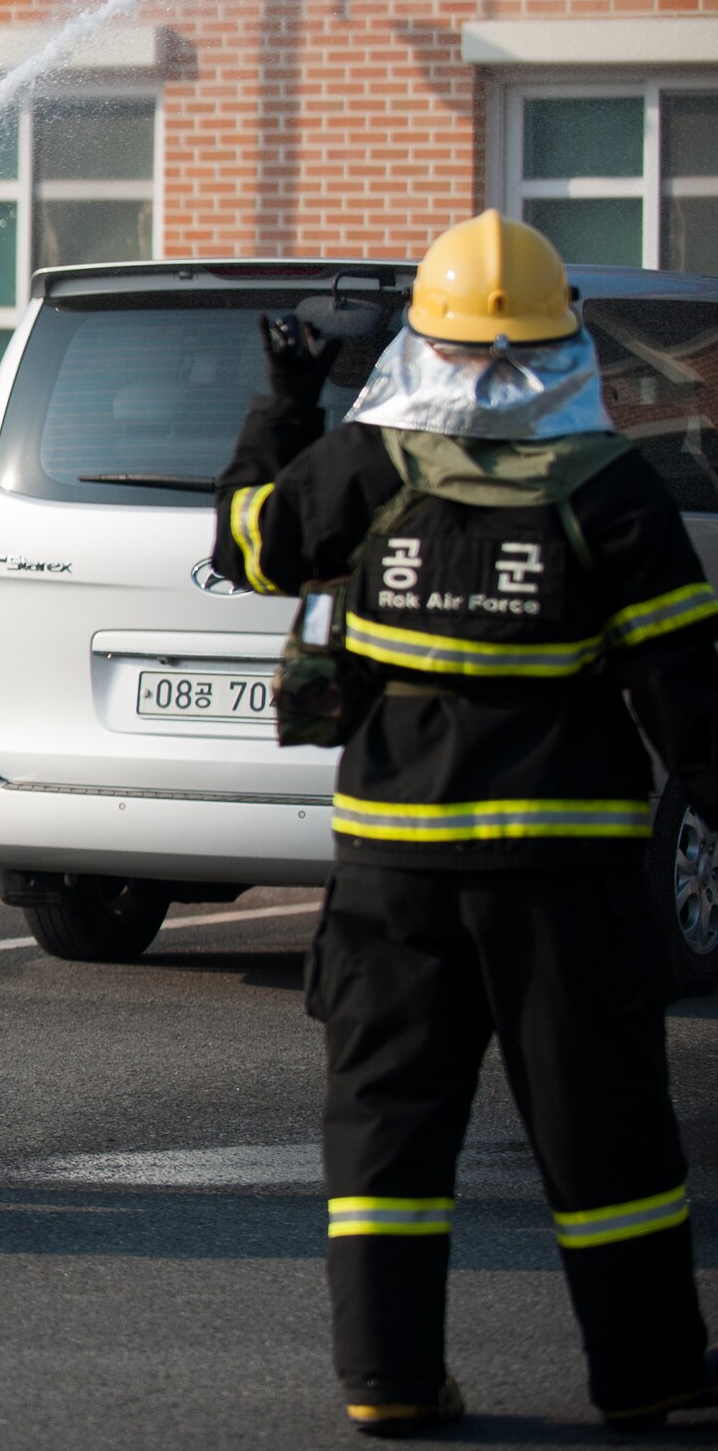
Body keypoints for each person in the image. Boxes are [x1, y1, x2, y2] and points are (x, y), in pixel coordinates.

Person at [211, 210, 718, 1435]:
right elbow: (690, 706)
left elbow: (247, 548)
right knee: (603, 1135)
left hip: (393, 876)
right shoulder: (611, 489)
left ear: (419, 345)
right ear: (565, 348)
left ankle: (386, 1380)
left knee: (386, 1130)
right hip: (564, 881)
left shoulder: (366, 465)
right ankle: (649, 1378)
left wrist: (286, 398)